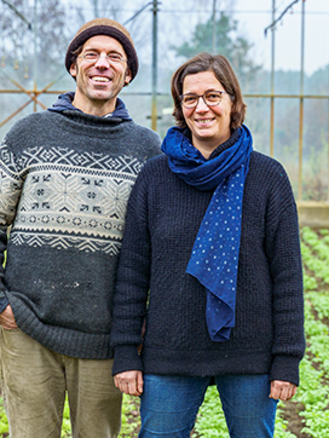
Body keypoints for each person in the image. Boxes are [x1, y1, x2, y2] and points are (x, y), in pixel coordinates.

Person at [0, 18, 162, 438]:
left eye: (115, 57)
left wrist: (143, 323)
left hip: (105, 338)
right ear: (74, 66)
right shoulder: (29, 133)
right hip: (28, 327)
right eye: (91, 54)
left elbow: (159, 246)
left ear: (127, 75)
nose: (102, 64)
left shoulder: (149, 150)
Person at [110, 52, 305, 438]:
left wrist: (286, 358)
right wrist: (125, 352)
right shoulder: (155, 177)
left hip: (250, 352)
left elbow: (287, 275)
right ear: (180, 108)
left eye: (213, 96)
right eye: (190, 99)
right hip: (171, 350)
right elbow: (132, 272)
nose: (201, 107)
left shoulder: (267, 177)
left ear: (233, 102)